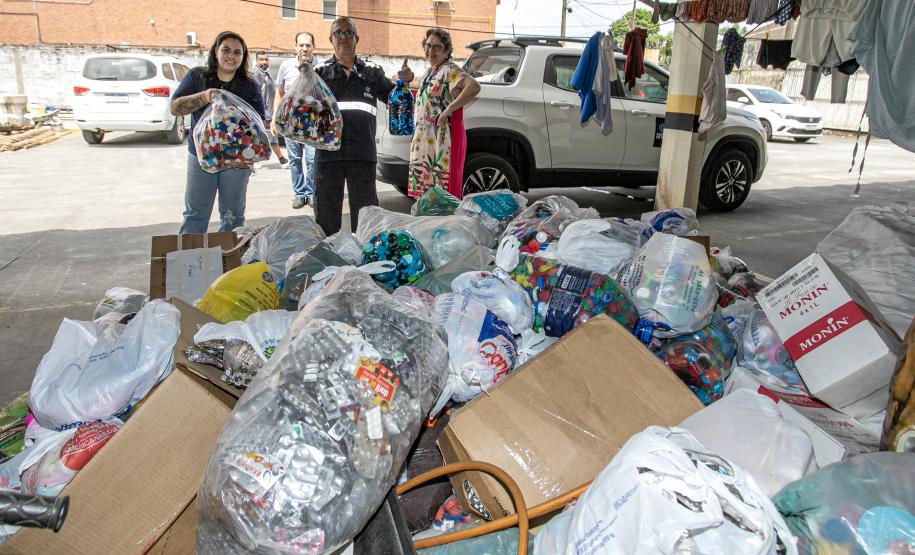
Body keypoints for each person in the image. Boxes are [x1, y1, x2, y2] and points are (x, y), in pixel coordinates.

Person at [313, 17, 414, 235]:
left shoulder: (372, 72)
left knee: (367, 216)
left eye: (348, 32)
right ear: (330, 39)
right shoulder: (318, 73)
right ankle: (327, 260)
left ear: (357, 39)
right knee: (326, 217)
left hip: (362, 154)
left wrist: (405, 83)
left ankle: (366, 261)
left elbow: (395, 99)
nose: (343, 37)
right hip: (328, 155)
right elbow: (301, 111)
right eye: (338, 33)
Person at [171, 31, 265, 234]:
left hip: (236, 162)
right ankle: (189, 263)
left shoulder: (249, 85)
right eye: (226, 50)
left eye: (237, 52)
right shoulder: (198, 76)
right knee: (195, 214)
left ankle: (229, 262)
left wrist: (250, 156)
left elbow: (258, 124)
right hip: (201, 158)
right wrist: (205, 97)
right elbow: (175, 107)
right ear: (216, 51)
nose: (231, 56)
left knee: (233, 216)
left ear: (243, 57)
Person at [408, 28, 481, 200]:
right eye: (427, 46)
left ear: (447, 50)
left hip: (442, 141)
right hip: (425, 143)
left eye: (437, 47)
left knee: (441, 196)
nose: (430, 51)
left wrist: (450, 109)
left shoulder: (450, 70)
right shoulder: (429, 72)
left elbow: (474, 87)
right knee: (425, 196)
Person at [275, 31, 317, 209]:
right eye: (301, 45)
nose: (305, 48)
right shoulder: (285, 66)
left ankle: (312, 193)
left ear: (314, 47)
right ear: (295, 47)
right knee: (294, 159)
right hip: (290, 122)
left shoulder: (320, 67)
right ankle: (299, 194)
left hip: (312, 122)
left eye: (308, 45)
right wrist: (274, 119)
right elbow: (279, 93)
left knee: (312, 159)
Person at [252, 52, 288, 165]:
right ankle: (282, 159)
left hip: (270, 112)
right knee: (271, 136)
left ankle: (252, 161)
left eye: (266, 60)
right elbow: (255, 94)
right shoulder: (256, 74)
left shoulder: (265, 74)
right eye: (261, 60)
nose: (264, 62)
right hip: (264, 113)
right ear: (257, 61)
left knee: (260, 138)